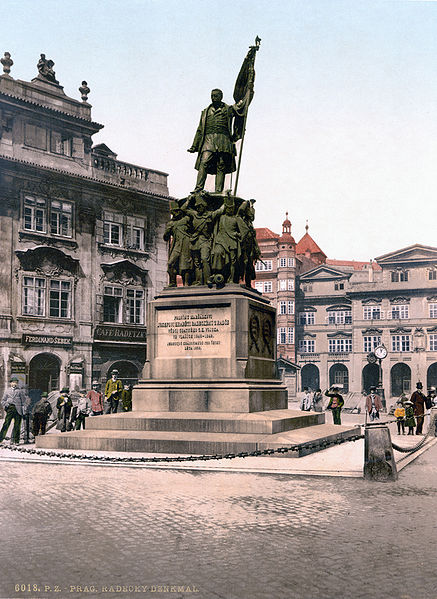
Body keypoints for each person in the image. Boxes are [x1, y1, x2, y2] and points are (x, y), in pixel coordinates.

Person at [187, 88, 247, 193]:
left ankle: (218, 190)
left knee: (221, 165)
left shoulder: (228, 109)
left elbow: (240, 109)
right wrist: (194, 145)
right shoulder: (205, 112)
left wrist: (247, 93)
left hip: (223, 139)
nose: (213, 98)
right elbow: (200, 129)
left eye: (215, 96)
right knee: (204, 162)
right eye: (212, 96)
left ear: (221, 97)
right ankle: (198, 188)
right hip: (208, 140)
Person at [0, 377, 30, 444]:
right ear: (10, 383)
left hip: (18, 410)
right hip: (10, 409)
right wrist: (6, 404)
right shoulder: (7, 391)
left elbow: (24, 401)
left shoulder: (19, 391)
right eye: (13, 382)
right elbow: (2, 401)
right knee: (6, 424)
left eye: (16, 382)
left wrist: (23, 410)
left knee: (17, 425)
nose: (14, 384)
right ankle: (0, 439)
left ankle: (16, 441)